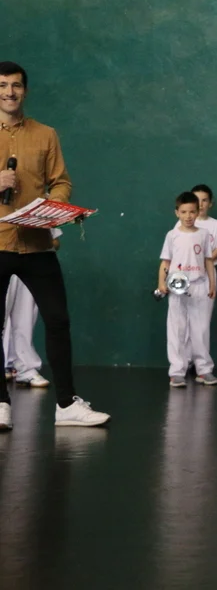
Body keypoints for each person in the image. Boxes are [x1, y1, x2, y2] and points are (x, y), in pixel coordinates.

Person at [0, 61, 110, 430]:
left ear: (25, 91)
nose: (10, 92)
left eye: (16, 85)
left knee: (58, 321)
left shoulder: (45, 134)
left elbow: (61, 181)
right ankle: (0, 403)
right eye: (3, 85)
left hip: (37, 243)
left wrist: (54, 206)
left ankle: (66, 405)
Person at [159, 191, 217, 387]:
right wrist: (161, 282)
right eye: (183, 212)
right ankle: (177, 371)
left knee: (200, 330)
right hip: (177, 287)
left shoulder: (204, 234)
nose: (188, 216)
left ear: (198, 211)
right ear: (177, 213)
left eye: (192, 212)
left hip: (199, 285)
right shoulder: (172, 235)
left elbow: (208, 260)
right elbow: (165, 262)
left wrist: (212, 283)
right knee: (177, 329)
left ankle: (204, 370)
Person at [3, 228, 63, 388]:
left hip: (31, 261)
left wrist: (41, 244)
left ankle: (26, 369)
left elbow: (55, 241)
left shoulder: (37, 212)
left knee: (25, 316)